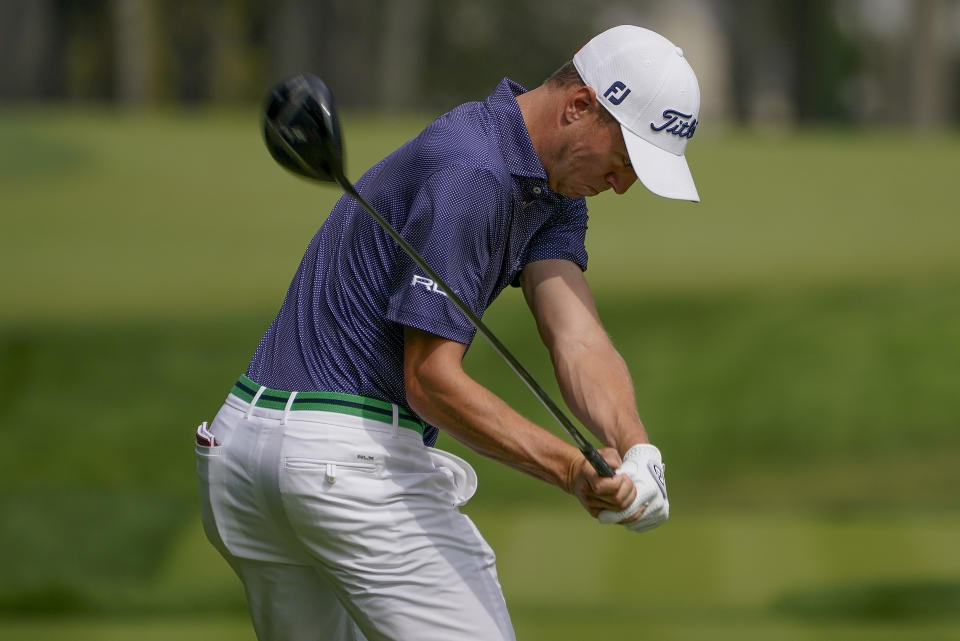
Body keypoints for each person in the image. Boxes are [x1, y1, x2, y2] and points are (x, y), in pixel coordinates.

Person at [196, 24, 701, 641]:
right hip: (340, 465)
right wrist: (571, 468)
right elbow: (431, 381)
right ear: (578, 107)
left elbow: (578, 337)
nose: (623, 185)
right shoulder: (476, 171)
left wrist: (636, 446)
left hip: (243, 457)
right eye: (624, 159)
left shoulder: (549, 188)